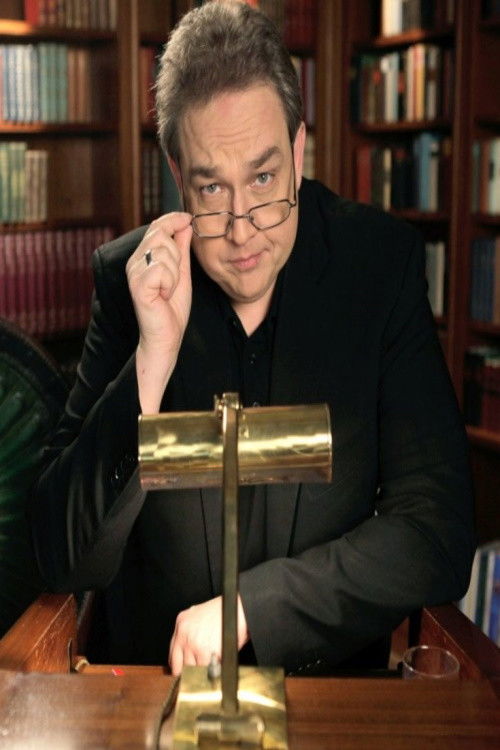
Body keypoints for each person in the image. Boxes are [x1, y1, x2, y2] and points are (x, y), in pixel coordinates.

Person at [30, 0, 475, 675]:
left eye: (264, 179)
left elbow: (437, 530)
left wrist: (252, 610)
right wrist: (151, 360)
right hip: (153, 694)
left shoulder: (380, 268)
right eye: (212, 189)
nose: (242, 230)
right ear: (177, 175)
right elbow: (62, 556)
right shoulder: (130, 282)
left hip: (329, 699)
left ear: (298, 150)